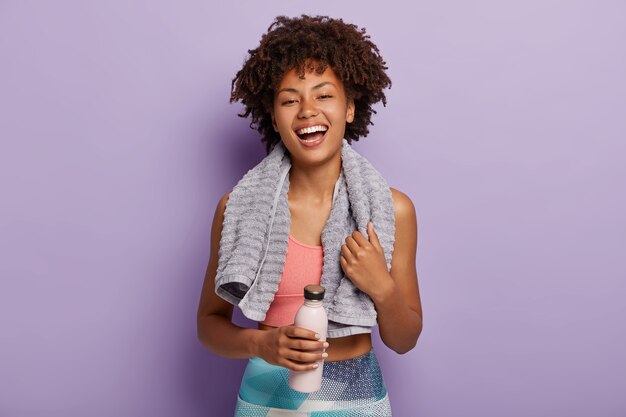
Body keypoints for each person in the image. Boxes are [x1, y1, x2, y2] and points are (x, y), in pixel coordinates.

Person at [197, 15, 423, 416]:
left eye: (323, 95)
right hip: (265, 398)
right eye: (289, 99)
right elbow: (209, 326)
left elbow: (404, 339)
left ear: (350, 108)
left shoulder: (393, 210)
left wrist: (382, 287)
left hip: (355, 399)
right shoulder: (237, 209)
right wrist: (259, 344)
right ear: (273, 116)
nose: (306, 110)